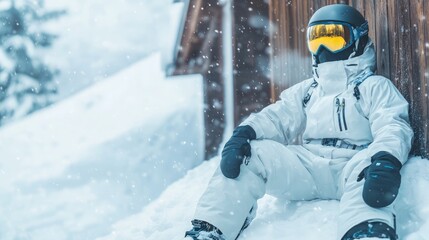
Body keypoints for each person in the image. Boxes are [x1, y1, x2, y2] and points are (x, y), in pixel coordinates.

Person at [184, 4, 413, 240]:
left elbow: (393, 125)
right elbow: (277, 116)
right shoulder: (309, 90)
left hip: (352, 164)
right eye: (317, 41)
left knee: (367, 170)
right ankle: (211, 230)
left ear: (357, 41)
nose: (324, 49)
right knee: (251, 153)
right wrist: (244, 133)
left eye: (334, 40)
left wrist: (385, 159)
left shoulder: (373, 87)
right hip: (309, 167)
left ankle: (366, 231)